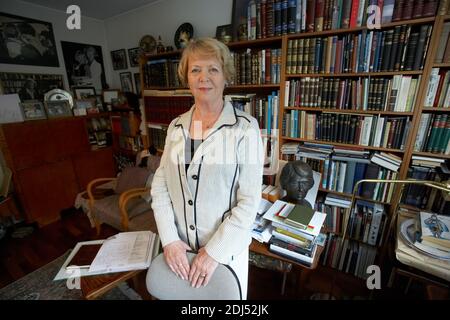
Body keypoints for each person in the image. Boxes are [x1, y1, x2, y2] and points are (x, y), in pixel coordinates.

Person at [150, 37, 263, 298]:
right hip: (179, 252)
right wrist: (169, 240)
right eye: (195, 70)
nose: (204, 77)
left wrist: (213, 253)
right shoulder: (176, 126)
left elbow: (249, 202)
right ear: (187, 78)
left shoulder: (245, 129)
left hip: (223, 257)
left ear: (226, 77)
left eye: (213, 69)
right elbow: (160, 185)